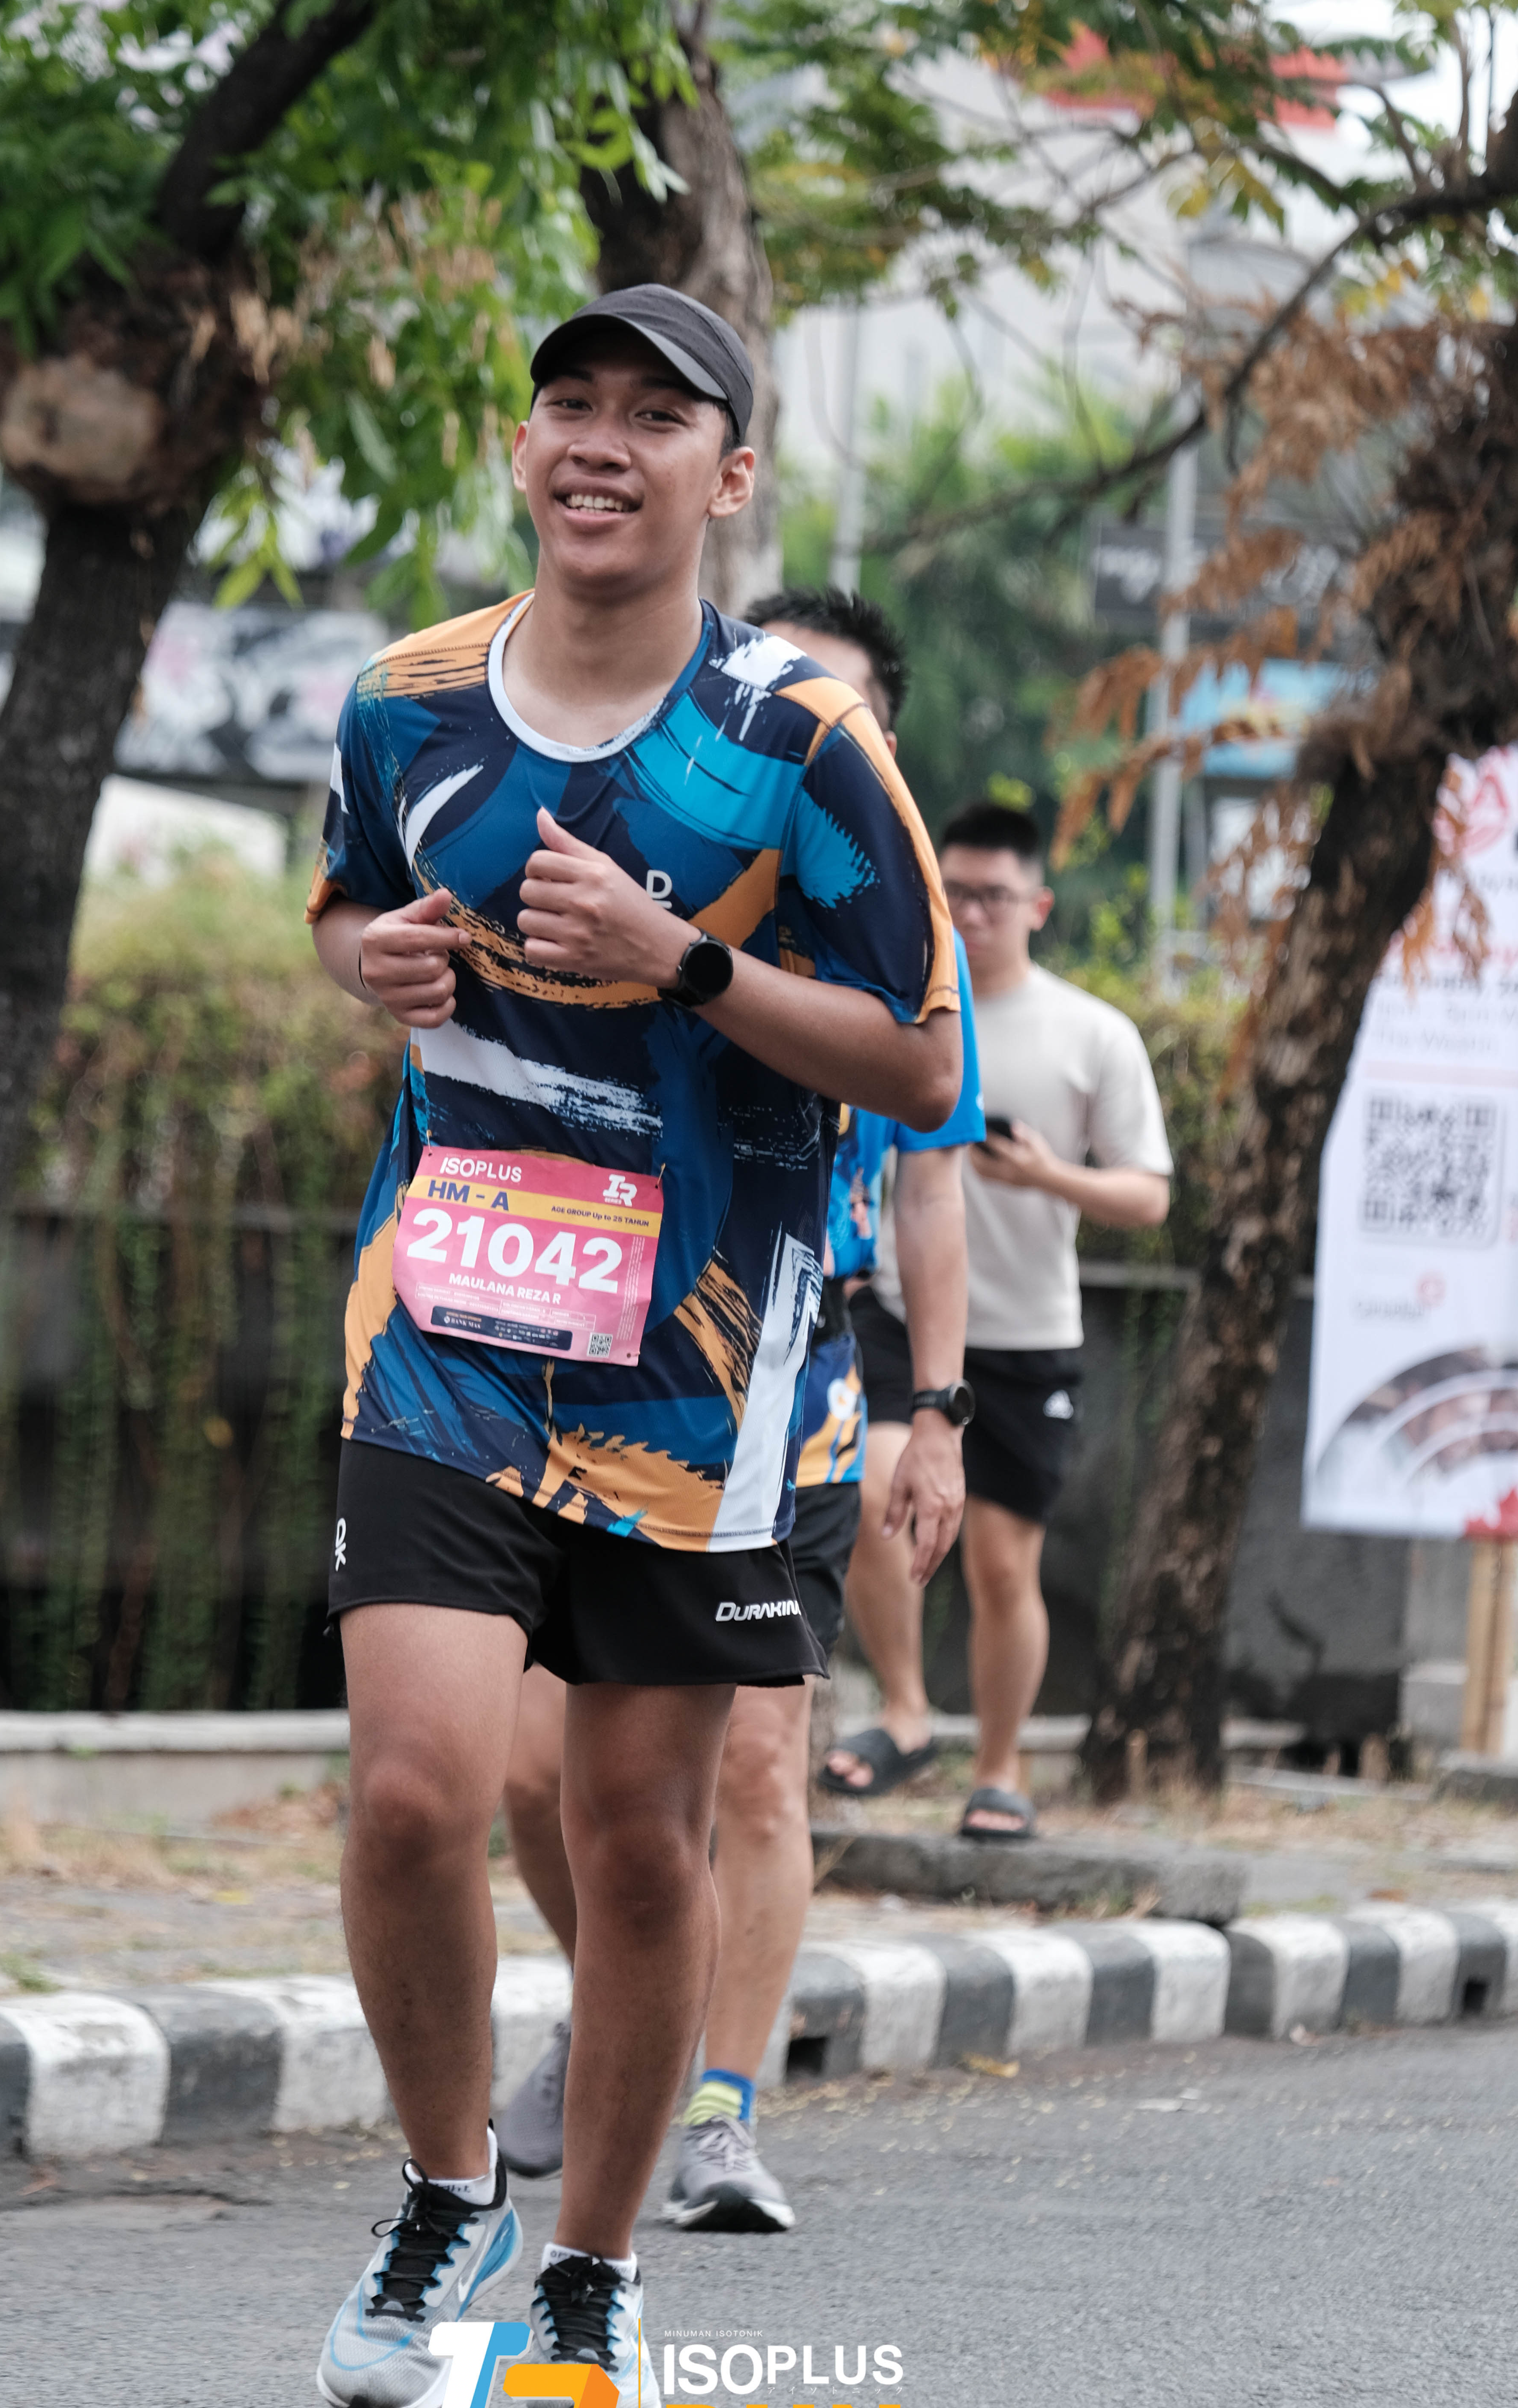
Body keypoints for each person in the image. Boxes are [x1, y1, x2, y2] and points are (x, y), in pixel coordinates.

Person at [304, 286, 964, 2408]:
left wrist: (685, 962)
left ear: (726, 475)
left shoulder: (797, 743)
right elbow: (345, 907)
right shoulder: (406, 704)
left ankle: (587, 2278)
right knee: (414, 1789)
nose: (598, 441)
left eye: (653, 416)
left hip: (702, 1369)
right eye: (566, 406)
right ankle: (443, 2199)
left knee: (638, 1833)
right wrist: (374, 960)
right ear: (524, 453)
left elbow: (919, 1063)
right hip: (449, 1323)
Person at [494, 587, 981, 2233]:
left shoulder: (903, 943)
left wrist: (940, 1410)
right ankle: (621, 2002)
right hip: (573, 1356)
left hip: (789, 1387)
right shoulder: (613, 871)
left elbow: (930, 1189)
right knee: (527, 1776)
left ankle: (716, 2108)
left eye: (833, 717)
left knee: (761, 1769)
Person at [826, 800, 1171, 1838]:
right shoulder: (896, 1009)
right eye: (954, 893)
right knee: (870, 1489)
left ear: (1039, 905)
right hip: (898, 1315)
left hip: (1025, 1337)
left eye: (992, 896)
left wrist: (1047, 1175)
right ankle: (905, 1709)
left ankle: (999, 1766)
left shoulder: (1091, 1033)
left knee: (1000, 1565)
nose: (970, 914)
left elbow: (1149, 1195)